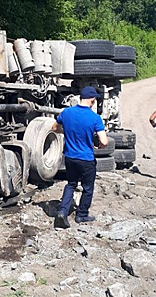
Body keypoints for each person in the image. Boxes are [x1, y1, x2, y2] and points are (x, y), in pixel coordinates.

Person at [52, 86, 108, 229]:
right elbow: (104, 141)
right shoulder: (95, 118)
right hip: (86, 159)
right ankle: (81, 214)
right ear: (93, 100)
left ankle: (62, 212)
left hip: (70, 157)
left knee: (71, 184)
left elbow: (54, 128)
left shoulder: (66, 112)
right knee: (87, 188)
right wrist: (99, 146)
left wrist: (67, 132)